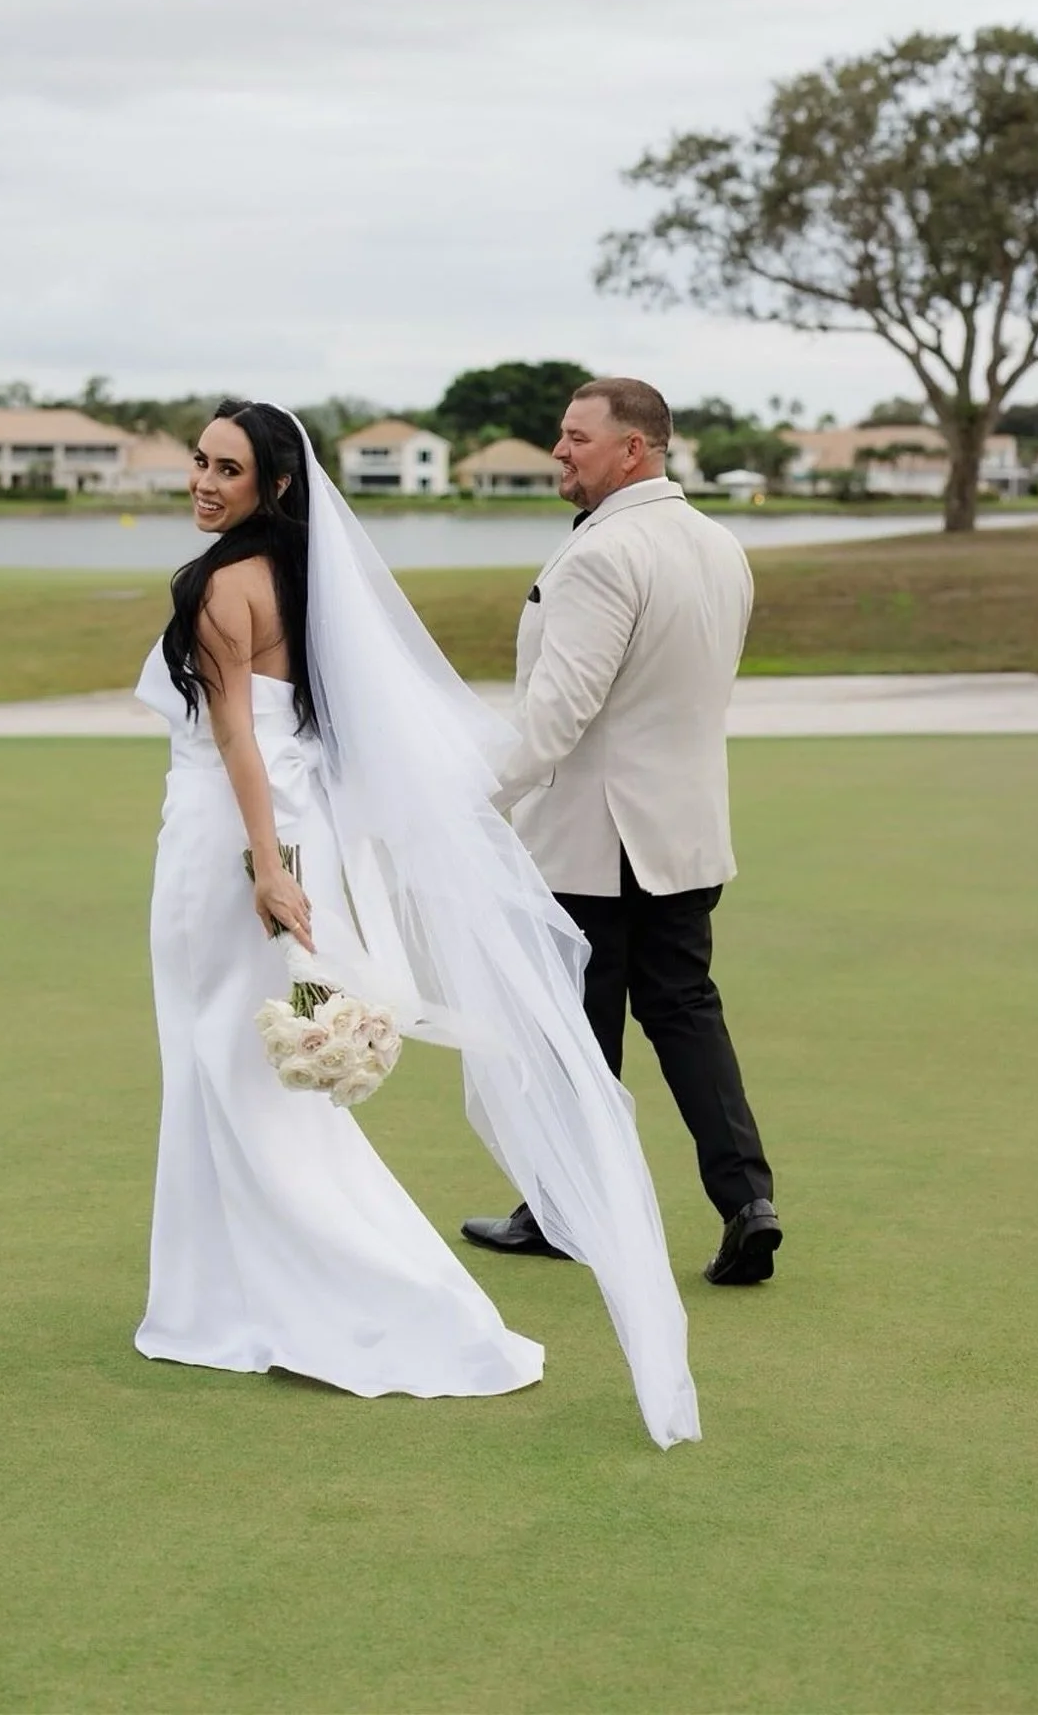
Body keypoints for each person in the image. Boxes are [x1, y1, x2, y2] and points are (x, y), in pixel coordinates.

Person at [133, 399, 699, 1449]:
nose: (204, 482)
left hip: (232, 851)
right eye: (199, 463)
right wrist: (296, 865)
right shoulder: (307, 586)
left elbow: (242, 752)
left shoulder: (218, 589)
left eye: (226, 470)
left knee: (226, 1063)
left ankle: (331, 1291)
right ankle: (227, 1292)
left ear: (274, 487)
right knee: (245, 1065)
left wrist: (263, 867)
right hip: (299, 851)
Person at [461, 377, 782, 1286]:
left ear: (632, 450)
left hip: (596, 844)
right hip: (684, 833)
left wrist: (467, 800)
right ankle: (747, 1202)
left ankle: (563, 1215)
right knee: (685, 1015)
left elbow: (555, 717)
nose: (559, 451)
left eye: (575, 438)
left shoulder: (603, 556)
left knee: (576, 1034)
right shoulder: (721, 546)